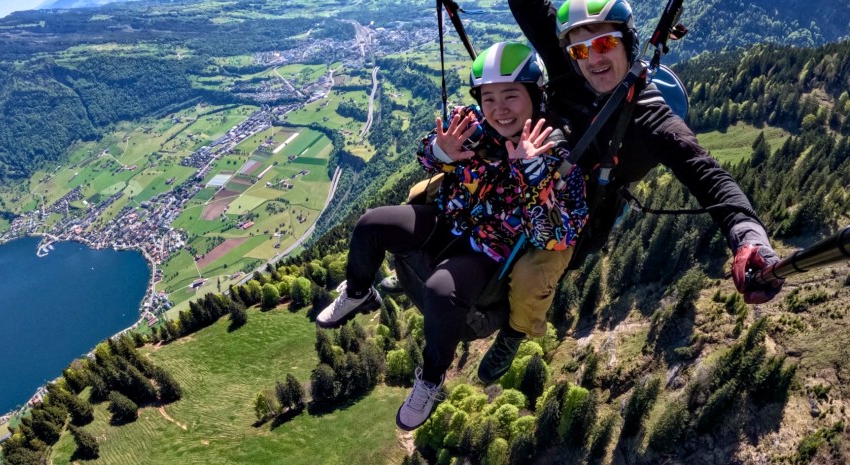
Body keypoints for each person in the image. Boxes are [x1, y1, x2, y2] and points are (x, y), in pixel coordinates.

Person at [475, 0, 785, 381]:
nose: (593, 59)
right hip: (523, 172)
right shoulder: (569, 69)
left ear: (627, 42)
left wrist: (746, 236)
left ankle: (515, 332)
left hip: (579, 213)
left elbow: (708, 176)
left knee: (530, 274)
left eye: (604, 44)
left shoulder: (651, 119)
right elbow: (529, 10)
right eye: (580, 50)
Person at [316, 42, 587, 430]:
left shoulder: (556, 155)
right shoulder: (471, 124)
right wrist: (440, 152)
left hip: (489, 249)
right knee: (371, 224)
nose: (499, 108)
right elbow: (425, 152)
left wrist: (532, 172)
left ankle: (430, 378)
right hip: (447, 219)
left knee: (442, 291)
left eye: (511, 95)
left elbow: (556, 235)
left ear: (535, 96)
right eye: (489, 97)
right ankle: (360, 292)